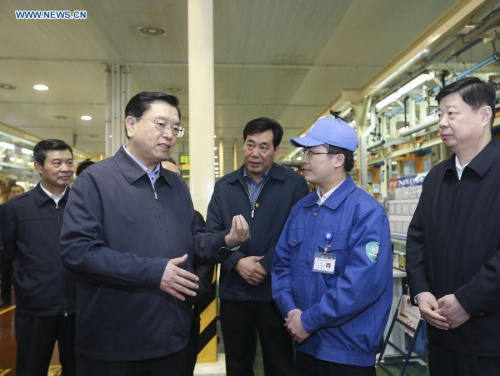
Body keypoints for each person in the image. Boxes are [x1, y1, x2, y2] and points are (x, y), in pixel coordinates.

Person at [60, 91, 249, 376]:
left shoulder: (175, 183)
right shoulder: (96, 180)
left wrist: (226, 241)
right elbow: (77, 251)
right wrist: (154, 272)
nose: (169, 134)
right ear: (131, 124)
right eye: (160, 124)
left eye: (175, 127)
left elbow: (193, 240)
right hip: (114, 343)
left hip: (172, 339)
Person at [272, 117, 393, 376]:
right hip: (305, 344)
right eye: (305, 152)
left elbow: (361, 285)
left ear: (338, 160)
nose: (304, 159)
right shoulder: (301, 209)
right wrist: (292, 312)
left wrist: (308, 320)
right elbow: (281, 265)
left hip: (346, 353)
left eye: (312, 153)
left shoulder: (367, 212)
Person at [406, 76, 500, 375]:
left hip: (490, 343)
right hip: (441, 336)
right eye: (439, 114)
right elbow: (417, 237)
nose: (442, 123)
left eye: (451, 113)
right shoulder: (436, 177)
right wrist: (421, 292)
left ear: (484, 115)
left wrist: (467, 301)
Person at [206, 117, 309, 375]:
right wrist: (236, 262)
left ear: (276, 151)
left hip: (278, 293)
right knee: (238, 365)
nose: (255, 153)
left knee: (281, 363)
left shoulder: (293, 185)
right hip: (234, 294)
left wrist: (265, 264)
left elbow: (298, 233)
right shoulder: (224, 186)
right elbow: (212, 233)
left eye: (264, 147)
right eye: (250, 145)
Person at [0, 139, 76, 376]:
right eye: (57, 162)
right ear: (39, 166)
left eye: (69, 162)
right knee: (31, 368)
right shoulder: (16, 209)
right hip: (35, 309)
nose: (65, 168)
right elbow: (6, 255)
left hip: (79, 308)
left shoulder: (84, 204)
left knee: (79, 369)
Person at [161, 156, 213, 373]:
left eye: (176, 178)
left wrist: (190, 294)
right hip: (147, 319)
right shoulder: (136, 218)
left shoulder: (194, 217)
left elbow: (204, 262)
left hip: (186, 312)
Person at [0, 184, 25, 307]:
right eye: (14, 192)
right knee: (5, 276)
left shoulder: (28, 209)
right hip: (5, 247)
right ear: (9, 194)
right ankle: (6, 299)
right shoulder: (3, 209)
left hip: (22, 248)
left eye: (19, 191)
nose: (16, 194)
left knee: (21, 276)